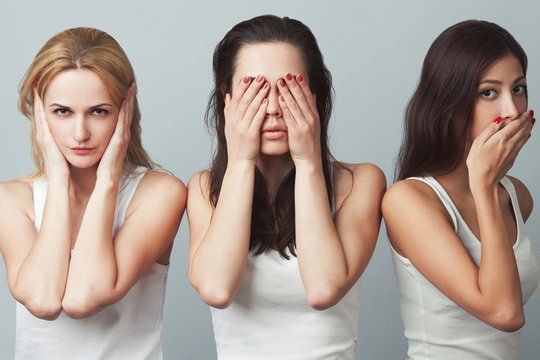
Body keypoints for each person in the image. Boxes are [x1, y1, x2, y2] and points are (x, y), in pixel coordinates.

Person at [186, 15, 385, 359]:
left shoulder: (361, 182)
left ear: (314, 95)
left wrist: (308, 162)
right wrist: (241, 162)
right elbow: (217, 289)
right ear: (227, 99)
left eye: (288, 89)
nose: (275, 108)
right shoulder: (205, 188)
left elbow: (324, 289)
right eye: (256, 91)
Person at [0, 27, 186, 359]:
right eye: (62, 111)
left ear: (125, 110)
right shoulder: (12, 200)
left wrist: (109, 179)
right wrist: (58, 178)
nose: (80, 133)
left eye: (98, 111)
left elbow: (84, 297)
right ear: (40, 112)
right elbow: (43, 301)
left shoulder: (159, 193)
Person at [383, 20, 539, 359]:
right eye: (489, 92)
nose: (512, 111)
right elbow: (505, 313)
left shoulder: (517, 197)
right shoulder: (408, 200)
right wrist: (482, 185)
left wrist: (489, 186)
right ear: (449, 101)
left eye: (519, 88)